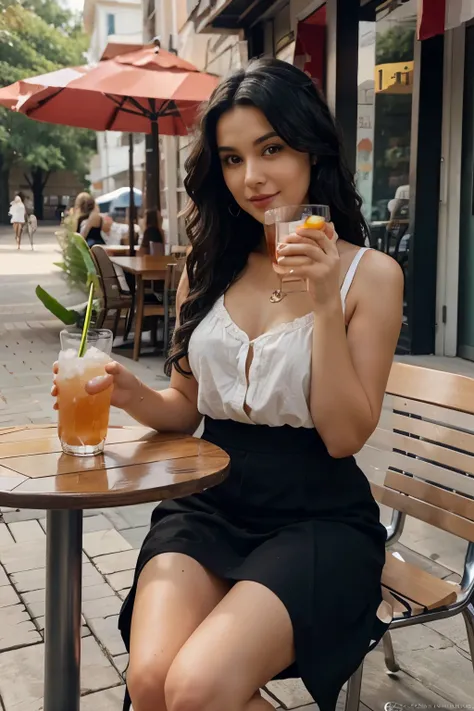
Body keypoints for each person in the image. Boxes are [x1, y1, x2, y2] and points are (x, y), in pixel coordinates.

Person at [52, 58, 403, 711]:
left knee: (197, 687)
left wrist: (325, 303)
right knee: (153, 680)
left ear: (312, 148)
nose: (253, 176)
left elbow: (344, 435)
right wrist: (130, 392)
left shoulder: (370, 277)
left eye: (270, 148)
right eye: (233, 158)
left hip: (319, 516)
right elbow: (184, 409)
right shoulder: (208, 268)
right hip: (210, 502)